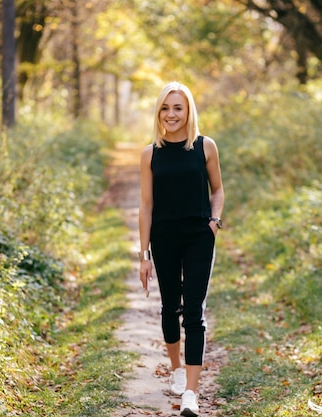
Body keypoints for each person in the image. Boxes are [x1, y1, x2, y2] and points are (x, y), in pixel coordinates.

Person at [138, 81, 224, 417]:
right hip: (164, 238)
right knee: (169, 306)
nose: (171, 114)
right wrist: (143, 255)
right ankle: (175, 367)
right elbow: (146, 206)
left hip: (199, 236)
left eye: (177, 108)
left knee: (194, 313)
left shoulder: (205, 147)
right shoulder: (150, 154)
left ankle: (191, 393)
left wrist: (214, 221)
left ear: (188, 111)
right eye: (165, 108)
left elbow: (217, 190)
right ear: (158, 112)